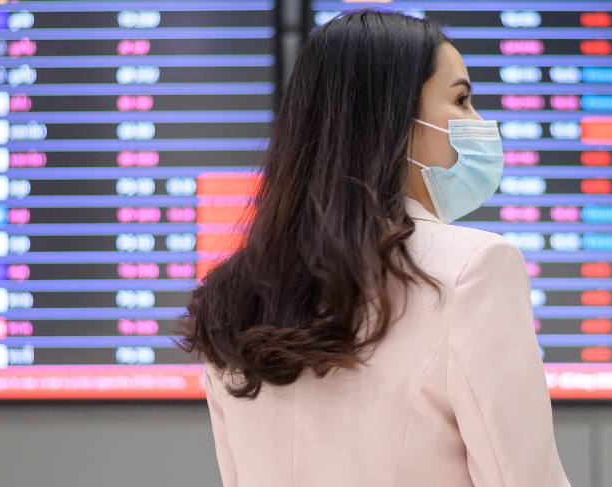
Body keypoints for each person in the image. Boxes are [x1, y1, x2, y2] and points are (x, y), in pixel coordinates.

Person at [180, 9, 571, 487]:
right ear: (394, 118)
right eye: (462, 100)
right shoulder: (474, 268)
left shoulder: (233, 290)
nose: (480, 122)